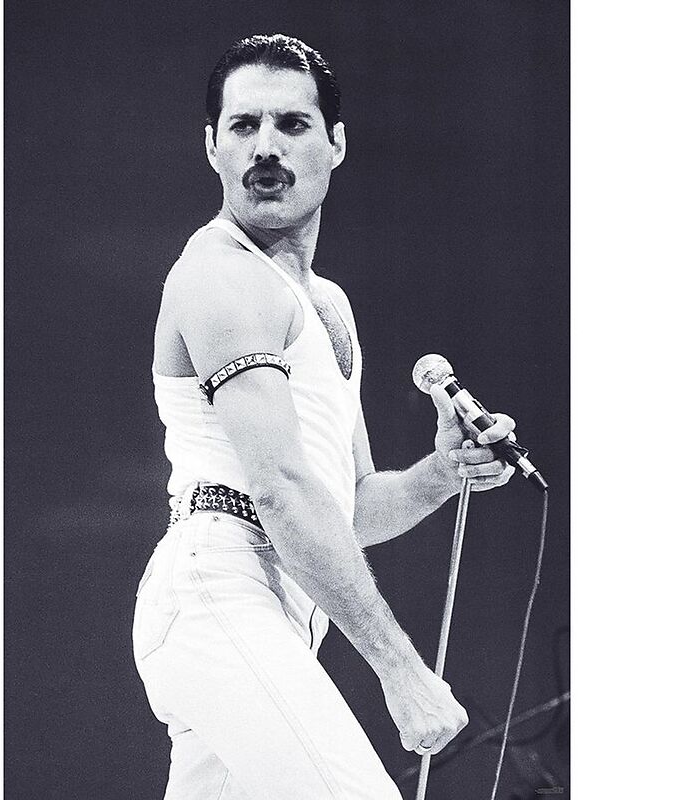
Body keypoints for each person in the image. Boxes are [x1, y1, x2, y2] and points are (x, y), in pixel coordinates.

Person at [133, 34, 516, 800]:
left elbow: (350, 506)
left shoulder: (325, 301)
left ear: (335, 143)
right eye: (244, 126)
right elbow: (280, 490)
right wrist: (401, 670)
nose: (265, 147)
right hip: (220, 589)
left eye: (292, 124)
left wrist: (444, 472)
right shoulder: (222, 277)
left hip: (271, 607)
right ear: (212, 147)